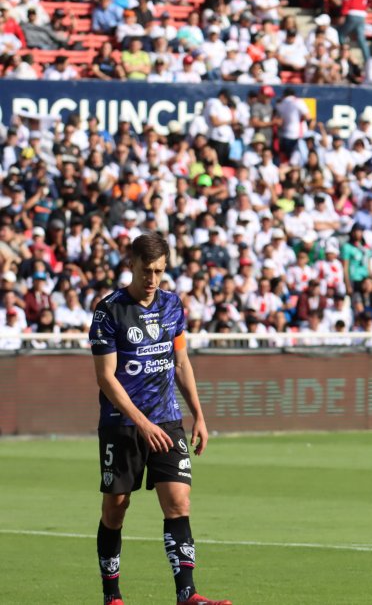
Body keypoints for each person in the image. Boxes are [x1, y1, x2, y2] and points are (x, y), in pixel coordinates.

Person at [88, 233, 231, 605]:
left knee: (179, 502)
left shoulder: (171, 304)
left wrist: (199, 415)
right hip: (123, 424)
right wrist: (142, 423)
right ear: (131, 264)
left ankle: (187, 594)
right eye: (146, 270)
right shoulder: (109, 311)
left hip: (167, 420)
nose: (152, 279)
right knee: (116, 509)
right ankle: (112, 595)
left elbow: (181, 363)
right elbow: (106, 378)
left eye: (159, 271)